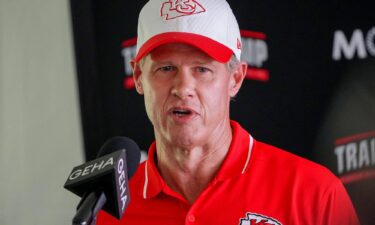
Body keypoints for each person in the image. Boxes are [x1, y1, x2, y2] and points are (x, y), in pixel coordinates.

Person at [97, 0, 360, 224]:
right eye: (166, 68)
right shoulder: (108, 208)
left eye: (202, 69)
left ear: (235, 79)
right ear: (140, 77)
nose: (183, 88)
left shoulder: (315, 194)